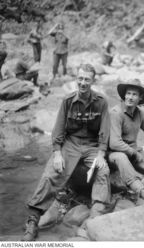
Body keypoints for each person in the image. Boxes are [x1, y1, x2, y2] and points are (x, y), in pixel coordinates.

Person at [21, 64, 112, 241]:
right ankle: (33, 219)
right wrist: (57, 153)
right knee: (51, 174)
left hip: (92, 146)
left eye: (87, 79)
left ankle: (95, 217)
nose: (83, 83)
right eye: (80, 78)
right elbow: (58, 130)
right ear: (76, 79)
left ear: (93, 81)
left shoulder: (101, 101)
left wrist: (101, 154)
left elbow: (105, 130)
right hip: (70, 144)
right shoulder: (68, 100)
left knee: (103, 171)